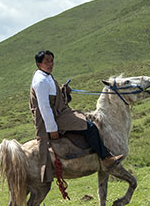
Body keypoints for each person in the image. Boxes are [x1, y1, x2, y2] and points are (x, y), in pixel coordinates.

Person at [30, 50, 122, 180]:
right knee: (90, 127)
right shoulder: (41, 81)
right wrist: (52, 129)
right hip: (54, 118)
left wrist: (63, 91)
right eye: (47, 62)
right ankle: (105, 158)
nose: (51, 64)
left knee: (85, 119)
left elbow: (52, 97)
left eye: (52, 61)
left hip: (59, 113)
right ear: (39, 64)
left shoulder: (45, 76)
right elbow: (45, 108)